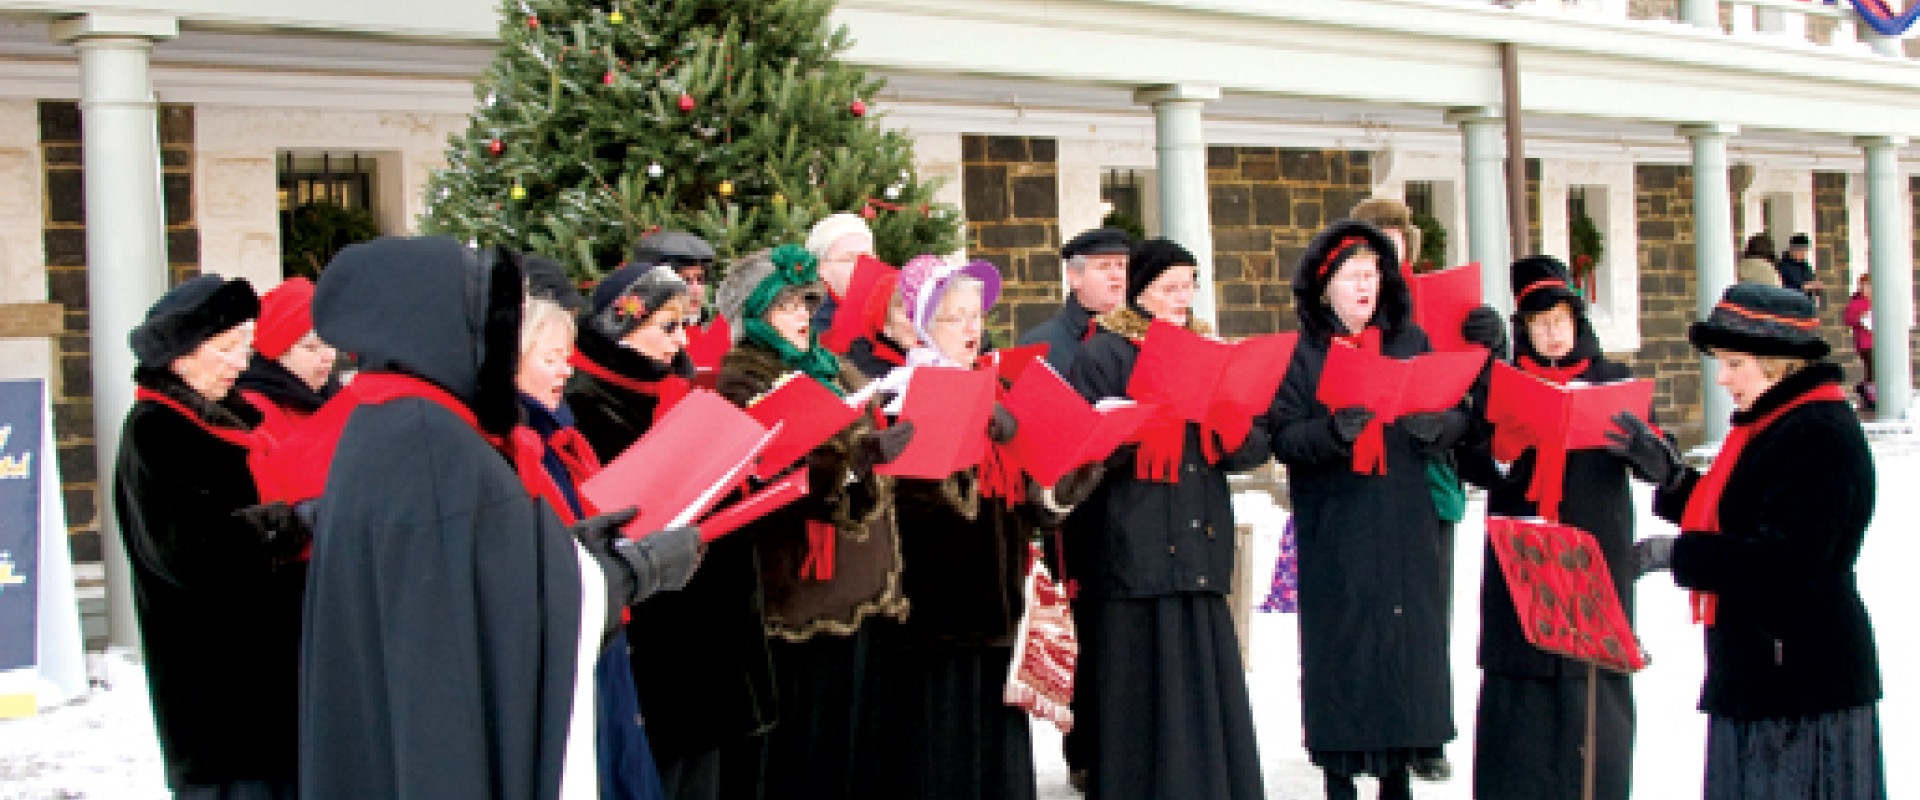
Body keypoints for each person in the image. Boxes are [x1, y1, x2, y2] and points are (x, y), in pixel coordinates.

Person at [299, 237, 702, 800]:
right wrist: (639, 570)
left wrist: (563, 546)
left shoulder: (385, 418)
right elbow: (519, 610)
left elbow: (480, 573)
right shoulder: (435, 442)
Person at [1608, 283, 1883, 800]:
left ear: (1777, 363)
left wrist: (1676, 554)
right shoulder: (1775, 424)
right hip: (1766, 674)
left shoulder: (1819, 434)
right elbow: (1742, 514)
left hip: (1803, 685)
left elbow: (1786, 563)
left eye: (1735, 364)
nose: (1722, 378)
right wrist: (1673, 479)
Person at [1063, 238, 1270, 800]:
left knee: (1202, 672)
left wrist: (1230, 424)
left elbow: (1252, 449)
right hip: (1134, 545)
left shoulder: (1209, 350)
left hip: (1199, 538)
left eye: (1189, 285)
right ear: (1141, 292)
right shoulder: (1104, 354)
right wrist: (1138, 427)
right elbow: (1082, 452)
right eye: (1169, 287)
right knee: (1138, 679)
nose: (1183, 298)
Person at [1267, 220, 1462, 800]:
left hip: (1403, 523)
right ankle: (1339, 779)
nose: (1365, 286)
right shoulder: (1302, 353)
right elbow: (1282, 437)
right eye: (1352, 276)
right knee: (1344, 653)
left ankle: (1399, 774)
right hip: (1338, 527)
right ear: (1324, 286)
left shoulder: (1410, 342)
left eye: (1373, 274)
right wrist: (1330, 432)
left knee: (1404, 650)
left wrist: (1442, 426)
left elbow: (1458, 416)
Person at [564, 261, 774, 800]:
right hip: (655, 637)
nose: (679, 341)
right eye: (666, 326)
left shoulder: (681, 394)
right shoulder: (586, 403)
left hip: (708, 636)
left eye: (685, 326)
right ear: (621, 325)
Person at [711, 244, 914, 800]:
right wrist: (851, 466)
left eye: (804, 304)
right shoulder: (741, 383)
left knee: (857, 755)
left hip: (861, 588)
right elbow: (772, 486)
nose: (802, 317)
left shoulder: (834, 370)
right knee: (807, 758)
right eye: (784, 307)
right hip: (800, 594)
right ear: (752, 316)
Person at [114, 275, 306, 800]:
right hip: (215, 698)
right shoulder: (157, 432)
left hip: (265, 691)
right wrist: (288, 524)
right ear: (180, 356)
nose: (240, 362)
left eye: (244, 346)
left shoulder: (235, 418)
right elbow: (194, 555)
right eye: (224, 349)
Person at [857, 254, 1040, 800]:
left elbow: (1018, 498)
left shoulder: (994, 385)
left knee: (993, 739)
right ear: (923, 323)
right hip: (933, 607)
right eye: (953, 317)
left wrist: (1049, 477)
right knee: (939, 743)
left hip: (994, 601)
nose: (970, 329)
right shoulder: (898, 392)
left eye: (975, 316)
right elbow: (900, 504)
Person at [1464, 255, 1637, 800]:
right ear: (1524, 329)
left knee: (1592, 684)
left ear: (1578, 322)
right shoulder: (1502, 382)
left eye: (1561, 321)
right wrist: (1504, 452)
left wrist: (1645, 450)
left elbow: (1653, 454)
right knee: (1523, 688)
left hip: (1594, 553)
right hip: (1524, 557)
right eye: (1540, 324)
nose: (1553, 334)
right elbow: (1469, 460)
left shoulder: (1612, 379)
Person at [514, 293, 670, 800]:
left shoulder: (561, 433)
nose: (564, 371)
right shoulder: (519, 443)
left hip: (603, 628)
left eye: (566, 357)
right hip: (571, 640)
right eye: (548, 359)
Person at [235, 276, 339, 441]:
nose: (329, 356)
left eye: (331, 343)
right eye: (312, 347)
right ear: (278, 352)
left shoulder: (339, 399)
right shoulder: (253, 411)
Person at [1019, 227, 1131, 374]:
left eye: (1121, 265)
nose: (1116, 275)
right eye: (1104, 266)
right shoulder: (1038, 348)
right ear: (1074, 277)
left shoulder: (1143, 338)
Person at [804, 212, 876, 337]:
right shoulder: (811, 320)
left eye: (868, 257)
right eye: (849, 258)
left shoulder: (891, 309)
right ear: (822, 268)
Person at [841, 267, 917, 378]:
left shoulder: (937, 358)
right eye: (908, 312)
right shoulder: (860, 368)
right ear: (884, 319)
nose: (918, 321)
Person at [631, 230, 717, 326]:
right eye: (685, 281)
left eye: (700, 279)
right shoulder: (636, 334)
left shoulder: (706, 329)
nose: (696, 290)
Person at [1843, 272, 1875, 411]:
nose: (1866, 289)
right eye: (1864, 286)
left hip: (1875, 341)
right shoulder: (1856, 303)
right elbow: (1849, 320)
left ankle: (1867, 390)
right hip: (1865, 342)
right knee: (1872, 367)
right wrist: (1860, 318)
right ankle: (1870, 392)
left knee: (1873, 370)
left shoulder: (1877, 302)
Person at [1776, 233, 1820, 300]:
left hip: (1807, 304)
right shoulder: (1783, 266)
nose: (1804, 254)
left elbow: (1811, 280)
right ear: (1793, 250)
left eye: (1806, 251)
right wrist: (1804, 287)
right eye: (1802, 251)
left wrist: (1815, 286)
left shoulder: (1806, 266)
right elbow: (1783, 288)